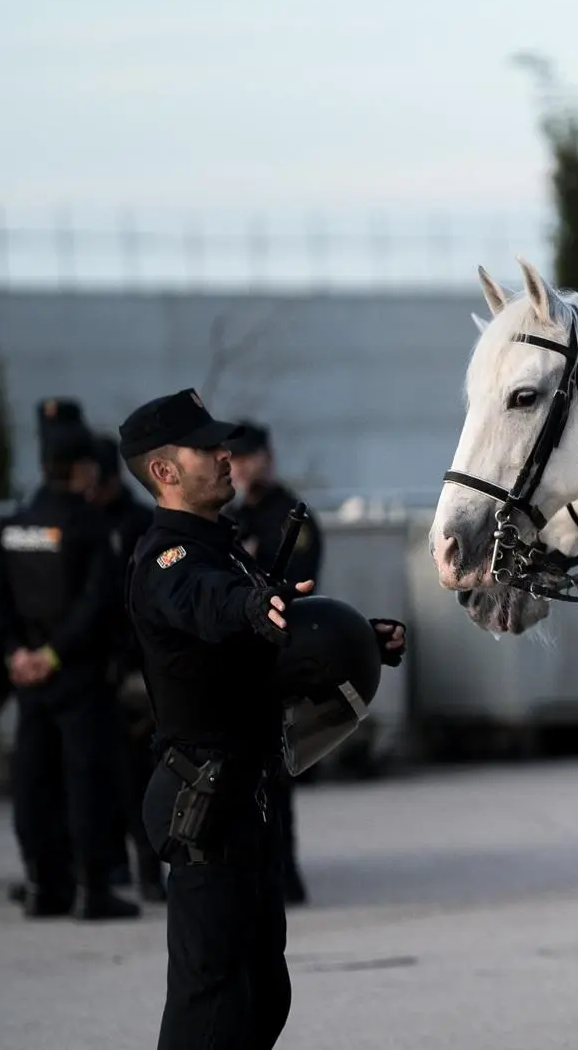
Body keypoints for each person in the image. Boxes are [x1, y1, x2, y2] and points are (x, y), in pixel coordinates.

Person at [121, 388, 404, 1050]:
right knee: (212, 1005)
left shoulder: (222, 547)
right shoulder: (170, 559)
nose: (226, 456)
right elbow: (209, 603)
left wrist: (354, 641)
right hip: (205, 803)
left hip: (247, 798)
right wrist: (250, 607)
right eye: (207, 448)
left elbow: (261, 636)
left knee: (261, 995)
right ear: (164, 471)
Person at [0, 417, 137, 920]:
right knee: (85, 784)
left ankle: (43, 884)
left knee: (34, 783)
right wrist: (52, 655)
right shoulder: (90, 525)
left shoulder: (17, 523)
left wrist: (16, 653)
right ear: (82, 469)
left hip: (28, 676)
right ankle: (91, 888)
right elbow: (97, 603)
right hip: (77, 676)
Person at [223, 421, 321, 905]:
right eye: (234, 460)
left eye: (248, 457)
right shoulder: (233, 517)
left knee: (277, 773)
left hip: (281, 658)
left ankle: (286, 871)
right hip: (238, 660)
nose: (241, 468)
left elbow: (299, 581)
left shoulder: (291, 516)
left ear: (268, 457)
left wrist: (256, 566)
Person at [90, 433, 166, 901]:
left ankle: (148, 870)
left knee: (141, 774)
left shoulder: (140, 524)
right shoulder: (82, 520)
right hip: (91, 671)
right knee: (100, 779)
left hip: (135, 672)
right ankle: (106, 864)